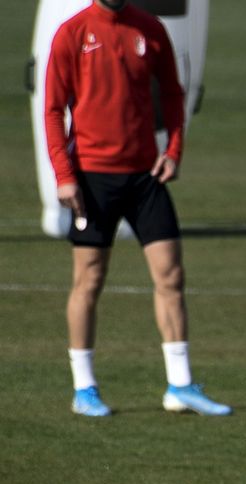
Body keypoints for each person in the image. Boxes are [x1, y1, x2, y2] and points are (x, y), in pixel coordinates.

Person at [43, 0, 231, 417]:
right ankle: (84, 388)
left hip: (145, 176)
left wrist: (175, 151)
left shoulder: (150, 29)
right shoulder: (72, 33)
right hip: (93, 177)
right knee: (89, 280)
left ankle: (180, 385)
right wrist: (64, 175)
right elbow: (54, 109)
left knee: (171, 275)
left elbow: (172, 92)